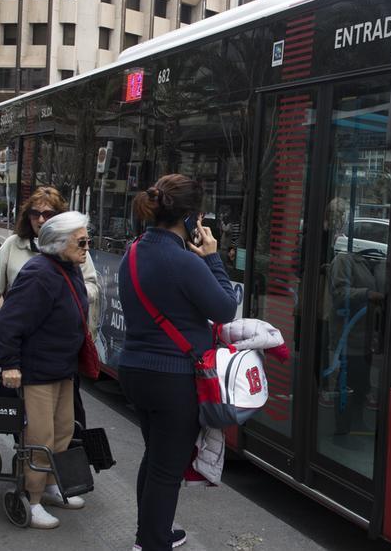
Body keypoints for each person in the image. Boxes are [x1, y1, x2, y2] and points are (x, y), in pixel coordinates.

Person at [118, 174, 240, 551]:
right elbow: (225, 308)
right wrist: (214, 257)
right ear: (190, 219)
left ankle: (151, 533)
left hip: (135, 370)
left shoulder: (134, 250)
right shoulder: (182, 261)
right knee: (166, 469)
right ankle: (152, 542)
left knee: (156, 457)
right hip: (172, 377)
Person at [0, 186, 100, 430]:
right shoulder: (15, 247)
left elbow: (90, 287)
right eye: (35, 213)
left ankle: (52, 465)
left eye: (48, 214)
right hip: (33, 358)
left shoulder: (75, 248)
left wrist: (65, 297)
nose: (40, 219)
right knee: (37, 435)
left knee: (66, 429)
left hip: (62, 357)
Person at [0, 211, 91, 530]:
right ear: (60, 243)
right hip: (37, 370)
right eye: (82, 240)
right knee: (40, 437)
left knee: (62, 431)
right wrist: (9, 363)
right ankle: (31, 499)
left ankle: (50, 486)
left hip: (61, 368)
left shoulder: (68, 268)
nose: (87, 246)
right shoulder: (39, 274)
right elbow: (8, 323)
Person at [323, 198, 386, 435]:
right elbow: (339, 294)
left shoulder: (376, 263)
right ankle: (343, 426)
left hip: (367, 336)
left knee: (362, 384)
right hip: (346, 336)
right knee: (347, 384)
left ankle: (358, 421)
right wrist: (368, 294)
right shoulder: (344, 260)